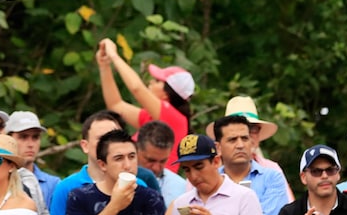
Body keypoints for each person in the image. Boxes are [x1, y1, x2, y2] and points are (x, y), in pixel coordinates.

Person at [96, 38, 194, 169]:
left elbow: (137, 88)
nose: (151, 82)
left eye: (157, 81)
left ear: (167, 93)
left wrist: (114, 56)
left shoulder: (174, 117)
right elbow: (115, 105)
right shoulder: (152, 118)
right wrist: (104, 66)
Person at [205, 96, 294, 200]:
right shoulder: (204, 171)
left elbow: (285, 211)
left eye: (253, 128)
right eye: (233, 138)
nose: (241, 143)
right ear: (219, 145)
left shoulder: (272, 170)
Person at [5, 111, 59, 210]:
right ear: (8, 139)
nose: (30, 144)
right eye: (23, 137)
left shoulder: (54, 184)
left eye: (35, 137)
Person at [137, 121, 186, 206]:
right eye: (150, 160)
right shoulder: (114, 179)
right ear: (136, 150)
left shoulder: (182, 188)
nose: (156, 168)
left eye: (163, 161)